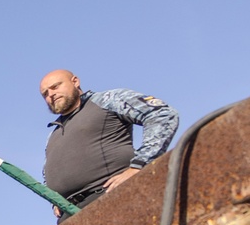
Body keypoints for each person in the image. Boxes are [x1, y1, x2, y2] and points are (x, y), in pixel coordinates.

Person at [39, 69, 179, 216]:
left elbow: (161, 115)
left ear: (75, 81)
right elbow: (46, 173)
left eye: (55, 87)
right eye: (45, 94)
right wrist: (54, 199)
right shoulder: (53, 133)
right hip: (72, 215)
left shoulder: (106, 100)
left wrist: (140, 165)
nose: (51, 95)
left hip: (114, 197)